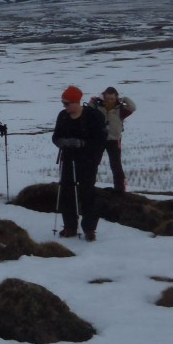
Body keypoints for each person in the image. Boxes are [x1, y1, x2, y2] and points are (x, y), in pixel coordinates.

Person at [51, 85, 107, 241]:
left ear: (76, 102)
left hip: (87, 160)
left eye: (67, 103)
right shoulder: (63, 116)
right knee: (67, 191)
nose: (65, 106)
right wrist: (64, 142)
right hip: (68, 159)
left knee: (87, 192)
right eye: (63, 103)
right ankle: (70, 226)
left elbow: (100, 139)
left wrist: (83, 145)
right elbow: (56, 137)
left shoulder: (92, 116)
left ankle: (89, 228)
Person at [89, 86, 136, 192]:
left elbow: (132, 107)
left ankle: (120, 189)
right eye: (107, 98)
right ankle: (89, 185)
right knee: (93, 163)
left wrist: (124, 99)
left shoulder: (121, 109)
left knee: (116, 165)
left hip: (114, 140)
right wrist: (93, 102)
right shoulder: (97, 106)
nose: (110, 101)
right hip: (99, 139)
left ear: (116, 97)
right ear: (103, 97)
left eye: (112, 99)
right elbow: (88, 111)